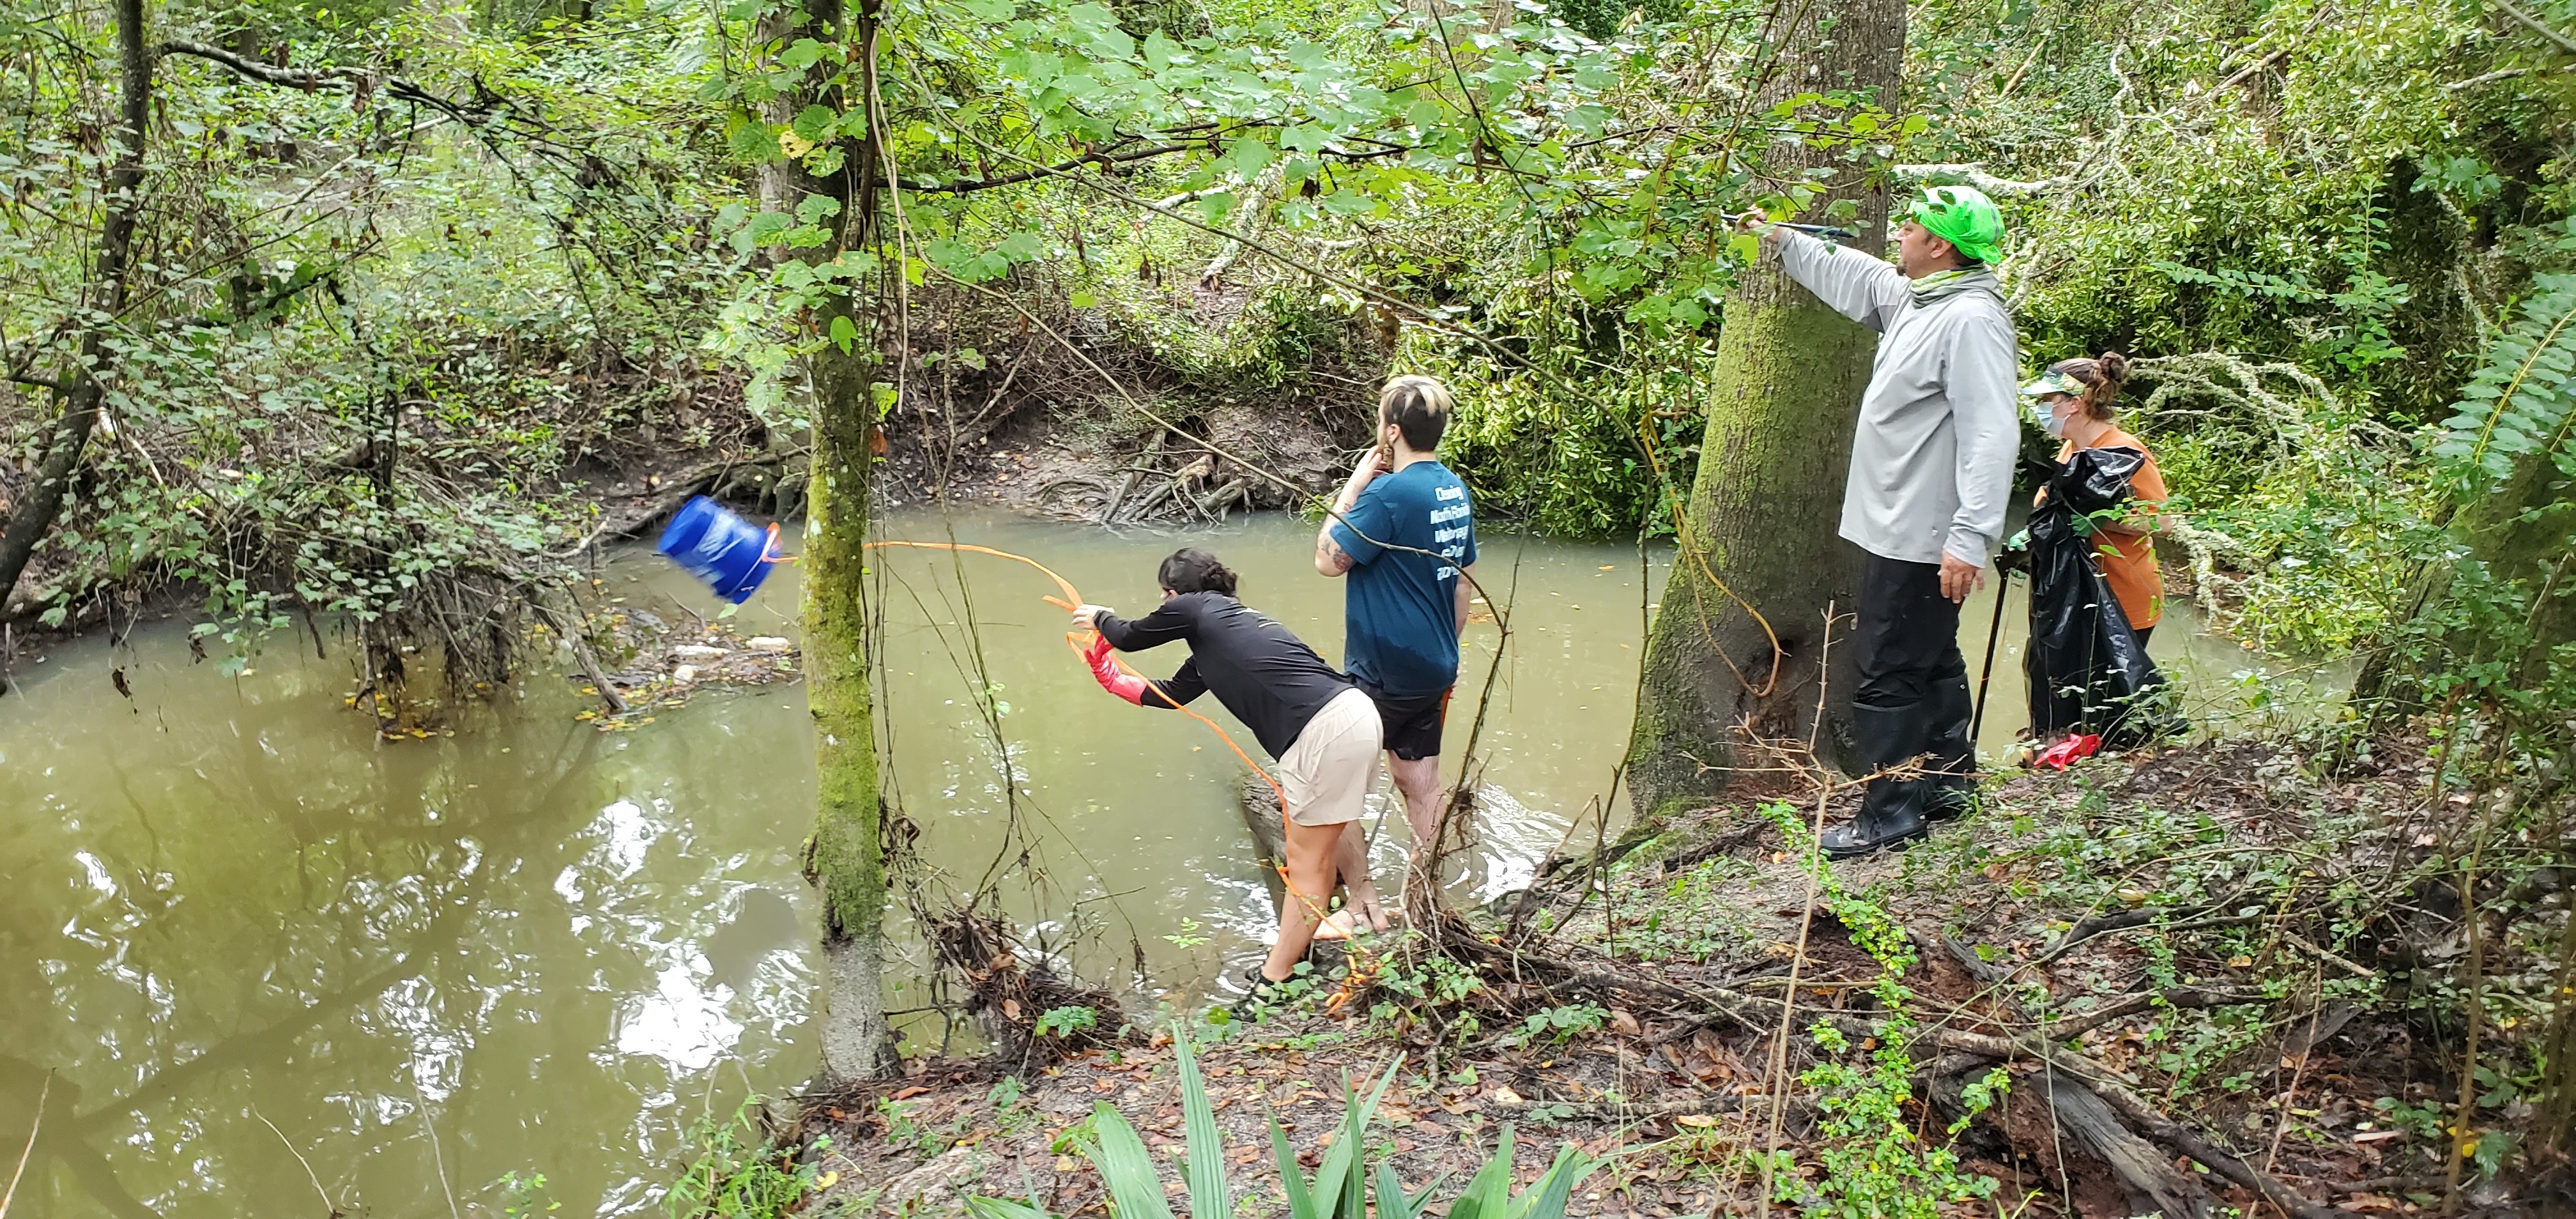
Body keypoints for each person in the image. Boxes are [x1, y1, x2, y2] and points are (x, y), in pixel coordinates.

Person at [1740, 185, 2021, 858]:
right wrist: (1782, 240)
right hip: (1898, 525)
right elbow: (1861, 278)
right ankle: (1949, 786)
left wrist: (1970, 535)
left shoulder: (1971, 319)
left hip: (1923, 533)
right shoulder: (1923, 299)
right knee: (1931, 656)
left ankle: (1889, 815)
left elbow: (1992, 432)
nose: (1899, 232)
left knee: (1889, 669)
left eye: (1913, 226)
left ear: (1941, 245)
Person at [1070, 548, 1386, 1011]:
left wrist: (1100, 617)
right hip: (1354, 713)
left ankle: (1273, 982)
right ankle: (1349, 913)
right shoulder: (1227, 629)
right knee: (1327, 833)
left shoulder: (1194, 607)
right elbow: (1171, 694)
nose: (1164, 608)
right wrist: (1111, 678)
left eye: (1164, 599)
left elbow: (1130, 636)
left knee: (1305, 867)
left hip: (1321, 729)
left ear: (1172, 594)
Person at [1315, 375, 1477, 880]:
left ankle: (1361, 903)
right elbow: (1463, 582)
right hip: (1434, 663)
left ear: (1390, 431)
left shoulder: (1389, 494)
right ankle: (1426, 883)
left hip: (1385, 669)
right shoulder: (1453, 488)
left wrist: (1356, 482)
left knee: (1331, 781)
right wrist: (1446, 652)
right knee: (1418, 773)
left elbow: (1327, 560)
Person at [2024, 353, 2167, 646]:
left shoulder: (2125, 452)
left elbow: (2162, 521)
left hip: (2123, 601)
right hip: (2074, 596)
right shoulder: (2070, 449)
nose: (2040, 409)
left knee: (2105, 691)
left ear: (2075, 404)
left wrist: (2103, 521)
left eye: (2047, 401)